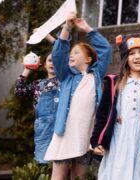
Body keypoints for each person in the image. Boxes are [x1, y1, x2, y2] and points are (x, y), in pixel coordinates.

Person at [44, 12, 112, 180]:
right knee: (58, 176)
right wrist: (67, 27)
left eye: (76, 53)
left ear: (88, 59)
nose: (71, 56)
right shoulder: (66, 76)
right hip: (64, 134)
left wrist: (87, 29)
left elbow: (106, 49)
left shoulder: (96, 74)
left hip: (86, 137)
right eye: (71, 53)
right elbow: (59, 54)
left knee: (79, 177)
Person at [90, 33, 140, 180]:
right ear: (126, 58)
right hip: (119, 139)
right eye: (132, 53)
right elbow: (102, 114)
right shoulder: (114, 82)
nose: (137, 57)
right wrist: (97, 140)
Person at [14, 33, 57, 164]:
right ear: (44, 65)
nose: (53, 63)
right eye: (50, 60)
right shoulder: (37, 84)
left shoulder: (65, 81)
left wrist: (46, 35)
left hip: (60, 127)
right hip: (42, 128)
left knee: (59, 164)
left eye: (56, 60)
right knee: (43, 163)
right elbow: (19, 91)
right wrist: (27, 69)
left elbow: (62, 49)